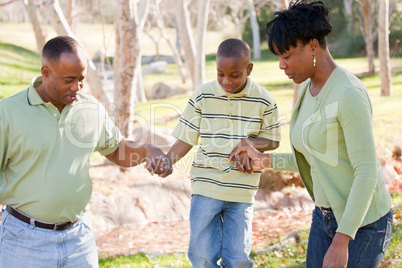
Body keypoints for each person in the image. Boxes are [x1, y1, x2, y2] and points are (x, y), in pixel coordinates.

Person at [230, 1, 393, 267]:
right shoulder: (307, 89)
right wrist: (266, 161)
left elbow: (366, 172)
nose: (282, 65)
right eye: (279, 57)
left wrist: (342, 241)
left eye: (287, 55)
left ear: (314, 46)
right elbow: (318, 155)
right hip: (325, 218)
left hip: (363, 225)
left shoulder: (348, 94)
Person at [0, 36, 169, 267]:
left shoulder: (90, 108)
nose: (77, 87)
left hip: (78, 240)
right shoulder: (8, 112)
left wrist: (148, 150)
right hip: (24, 240)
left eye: (81, 79)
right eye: (69, 80)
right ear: (45, 72)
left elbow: (117, 150)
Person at [158, 38, 281, 267]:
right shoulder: (203, 96)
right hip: (207, 185)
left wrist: (249, 143)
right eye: (220, 74)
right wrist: (168, 160)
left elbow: (273, 141)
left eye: (235, 75)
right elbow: (186, 137)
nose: (227, 81)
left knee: (238, 258)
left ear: (249, 69)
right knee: (202, 255)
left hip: (242, 190)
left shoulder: (264, 100)